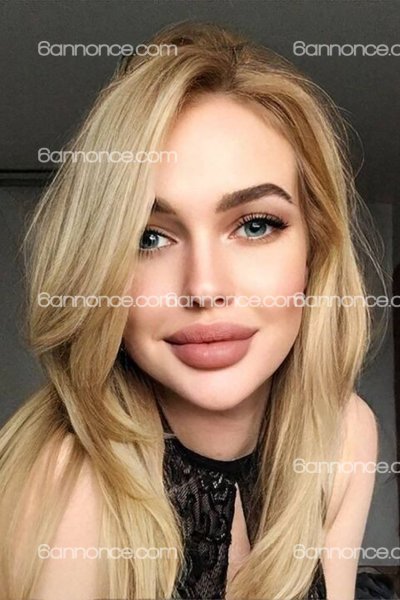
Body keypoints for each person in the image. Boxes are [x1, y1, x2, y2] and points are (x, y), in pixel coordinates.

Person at [0, 20, 392, 600]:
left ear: (316, 248)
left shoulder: (343, 434)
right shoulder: (58, 493)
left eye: (255, 225)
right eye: (148, 237)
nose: (204, 289)